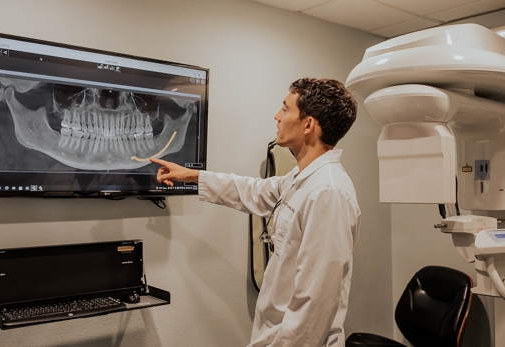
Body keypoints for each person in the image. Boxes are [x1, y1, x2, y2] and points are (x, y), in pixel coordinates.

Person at [151, 78, 361, 347]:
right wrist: (191, 175)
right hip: (275, 334)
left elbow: (316, 304)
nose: (277, 116)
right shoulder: (301, 179)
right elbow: (252, 190)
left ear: (308, 124)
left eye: (285, 109)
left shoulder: (329, 192)